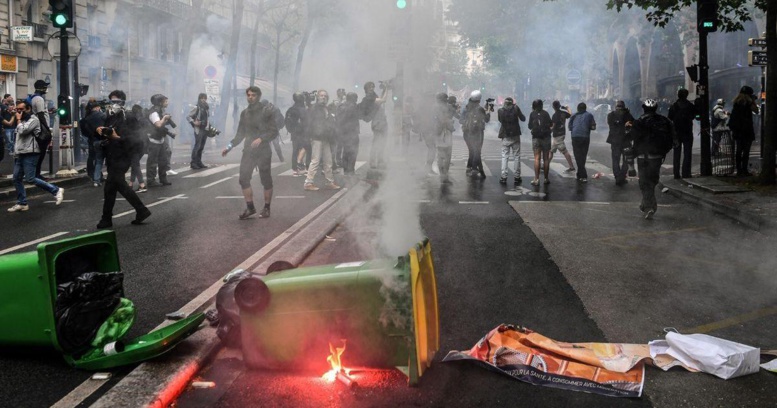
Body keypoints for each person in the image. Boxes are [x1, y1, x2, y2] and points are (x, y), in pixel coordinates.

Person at [95, 90, 151, 229]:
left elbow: (137, 138)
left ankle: (108, 218)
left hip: (124, 156)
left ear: (123, 103)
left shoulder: (129, 117)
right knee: (111, 187)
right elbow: (106, 133)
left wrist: (118, 138)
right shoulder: (110, 117)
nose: (113, 105)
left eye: (116, 102)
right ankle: (139, 211)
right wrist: (99, 131)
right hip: (112, 156)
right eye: (111, 101)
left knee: (114, 184)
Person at [222, 86, 278, 219]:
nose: (250, 97)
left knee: (266, 180)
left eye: (253, 95)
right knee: (243, 179)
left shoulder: (266, 111)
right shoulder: (245, 113)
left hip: (263, 151)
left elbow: (274, 131)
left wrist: (261, 138)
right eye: (248, 95)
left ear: (258, 96)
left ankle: (267, 208)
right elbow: (240, 134)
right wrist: (229, 146)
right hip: (248, 151)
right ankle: (250, 208)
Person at [7, 100, 64, 212]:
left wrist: (18, 119)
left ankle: (56, 190)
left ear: (28, 109)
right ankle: (22, 203)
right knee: (16, 178)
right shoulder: (22, 120)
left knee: (30, 179)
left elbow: (23, 131)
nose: (18, 112)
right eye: (17, 109)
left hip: (30, 153)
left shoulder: (34, 120)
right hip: (20, 153)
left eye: (21, 110)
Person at [630, 98, 676, 220]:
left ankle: (650, 206)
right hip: (657, 156)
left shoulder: (639, 121)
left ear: (644, 108)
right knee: (652, 180)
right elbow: (673, 138)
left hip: (642, 156)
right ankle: (645, 204)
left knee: (644, 182)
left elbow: (633, 138)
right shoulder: (665, 121)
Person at [303, 90, 340, 191]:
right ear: (317, 97)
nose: (323, 97)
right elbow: (309, 123)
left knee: (328, 161)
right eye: (321, 96)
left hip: (325, 138)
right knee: (315, 161)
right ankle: (308, 183)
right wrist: (309, 136)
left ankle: (329, 181)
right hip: (317, 138)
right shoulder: (314, 109)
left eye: (325, 96)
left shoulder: (326, 108)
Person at [728, 86, 759, 177]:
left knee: (739, 150)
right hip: (746, 130)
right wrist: (753, 101)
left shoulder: (736, 103)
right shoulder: (749, 103)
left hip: (738, 130)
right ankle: (744, 169)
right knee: (746, 151)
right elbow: (756, 111)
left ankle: (739, 170)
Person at [667, 88, 698, 179]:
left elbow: (669, 118)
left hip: (676, 132)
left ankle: (676, 173)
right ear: (686, 95)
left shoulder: (673, 106)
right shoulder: (690, 106)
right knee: (687, 153)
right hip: (687, 131)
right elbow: (695, 116)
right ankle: (686, 173)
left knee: (676, 153)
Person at [460, 90, 491, 178]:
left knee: (471, 150)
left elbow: (460, 120)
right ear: (479, 99)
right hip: (477, 133)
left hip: (466, 133)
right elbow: (486, 119)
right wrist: (488, 111)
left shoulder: (465, 108)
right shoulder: (480, 109)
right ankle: (474, 168)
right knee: (477, 151)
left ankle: (469, 167)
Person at [360, 81, 389, 170]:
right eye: (370, 87)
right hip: (377, 122)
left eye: (373, 87)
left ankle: (380, 161)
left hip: (381, 121)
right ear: (366, 89)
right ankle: (373, 162)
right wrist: (387, 89)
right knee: (377, 143)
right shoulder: (369, 98)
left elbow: (380, 99)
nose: (372, 88)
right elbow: (383, 100)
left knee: (382, 143)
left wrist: (384, 89)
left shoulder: (373, 96)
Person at [146, 94, 174, 187]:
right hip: (154, 140)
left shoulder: (160, 111)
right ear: (159, 102)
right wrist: (164, 118)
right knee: (152, 161)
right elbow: (158, 124)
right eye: (165, 101)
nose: (167, 103)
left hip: (160, 138)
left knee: (163, 160)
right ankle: (151, 180)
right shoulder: (154, 113)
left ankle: (163, 178)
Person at [497, 97, 526, 185]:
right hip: (515, 135)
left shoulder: (500, 110)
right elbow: (523, 118)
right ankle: (517, 177)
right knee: (516, 156)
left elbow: (500, 120)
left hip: (505, 135)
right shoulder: (516, 108)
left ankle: (503, 177)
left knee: (505, 156)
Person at [606, 100, 635, 186]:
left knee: (615, 160)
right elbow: (632, 124)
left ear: (616, 106)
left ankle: (618, 177)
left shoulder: (611, 115)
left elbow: (611, 124)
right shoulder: (627, 115)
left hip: (615, 141)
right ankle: (621, 176)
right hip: (625, 140)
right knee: (626, 160)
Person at [568, 102, 596, 182]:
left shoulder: (573, 115)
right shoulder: (589, 115)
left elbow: (570, 127)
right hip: (585, 137)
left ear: (577, 108)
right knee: (583, 155)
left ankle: (580, 174)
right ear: (585, 108)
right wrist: (588, 126)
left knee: (577, 156)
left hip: (575, 137)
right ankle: (583, 175)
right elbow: (593, 127)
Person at [30, 80, 52, 180]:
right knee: (41, 153)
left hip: (38, 127)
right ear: (41, 88)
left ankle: (36, 174)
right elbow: (40, 115)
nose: (46, 89)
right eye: (45, 87)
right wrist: (47, 128)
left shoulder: (34, 98)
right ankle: (36, 174)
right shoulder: (39, 99)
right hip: (40, 129)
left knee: (40, 152)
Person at [527, 99, 553, 186]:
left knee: (537, 158)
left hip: (536, 138)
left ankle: (536, 179)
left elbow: (529, 126)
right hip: (546, 137)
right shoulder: (546, 113)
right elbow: (550, 124)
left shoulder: (532, 114)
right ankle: (546, 178)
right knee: (546, 159)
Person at [337, 92, 360, 176]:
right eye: (356, 98)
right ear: (353, 98)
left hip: (343, 132)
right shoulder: (353, 107)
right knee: (353, 151)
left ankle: (346, 169)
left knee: (345, 151)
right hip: (352, 132)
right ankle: (351, 170)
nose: (357, 100)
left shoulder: (340, 106)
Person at [285, 92, 308, 176]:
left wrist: (291, 130)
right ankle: (302, 165)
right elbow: (307, 122)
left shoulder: (291, 109)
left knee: (295, 150)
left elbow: (286, 121)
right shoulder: (303, 109)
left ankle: (295, 169)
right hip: (303, 133)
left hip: (294, 133)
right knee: (306, 148)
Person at [435, 93, 455, 183]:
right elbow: (446, 119)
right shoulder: (447, 107)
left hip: (438, 132)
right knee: (447, 155)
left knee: (440, 155)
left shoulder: (434, 107)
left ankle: (442, 175)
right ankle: (444, 175)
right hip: (445, 132)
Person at [550, 101, 575, 174]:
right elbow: (570, 114)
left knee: (564, 151)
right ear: (559, 106)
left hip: (558, 136)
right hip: (561, 134)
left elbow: (553, 127)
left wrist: (547, 131)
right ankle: (545, 164)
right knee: (551, 151)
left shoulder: (554, 115)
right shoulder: (563, 113)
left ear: (553, 107)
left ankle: (572, 167)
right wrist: (567, 108)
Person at [187, 93, 210, 169]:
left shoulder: (206, 107)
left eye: (205, 98)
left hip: (205, 129)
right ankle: (193, 163)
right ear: (199, 99)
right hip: (198, 129)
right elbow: (188, 117)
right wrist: (194, 123)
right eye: (202, 98)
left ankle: (199, 162)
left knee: (201, 147)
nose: (203, 99)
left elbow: (207, 118)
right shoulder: (196, 107)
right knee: (197, 146)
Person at [129, 104, 148, 192]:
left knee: (135, 164)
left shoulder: (133, 120)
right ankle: (131, 183)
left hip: (134, 145)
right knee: (134, 164)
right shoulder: (143, 120)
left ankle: (142, 185)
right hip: (142, 145)